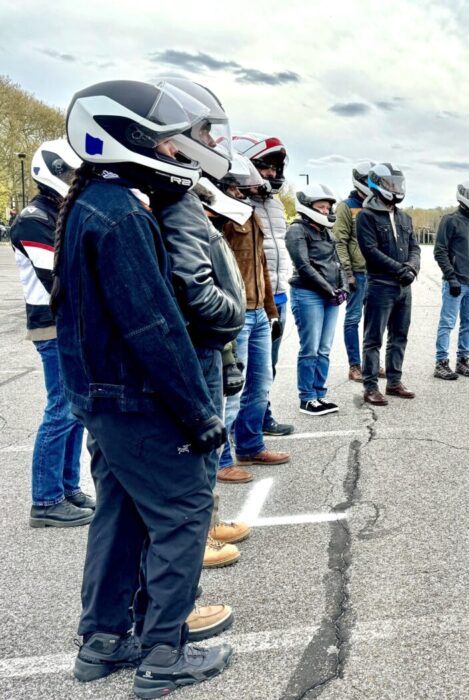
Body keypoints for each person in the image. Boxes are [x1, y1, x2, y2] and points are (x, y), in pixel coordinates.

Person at [57, 79, 231, 698]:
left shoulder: (89, 205)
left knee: (122, 513)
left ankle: (102, 640)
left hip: (104, 400)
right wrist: (200, 413)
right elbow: (153, 328)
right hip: (139, 401)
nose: (175, 149)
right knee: (182, 514)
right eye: (161, 138)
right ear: (124, 135)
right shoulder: (125, 215)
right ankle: (164, 652)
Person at [150, 78, 251, 639]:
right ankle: (193, 556)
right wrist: (232, 317)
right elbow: (193, 284)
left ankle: (208, 527)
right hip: (199, 346)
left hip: (203, 347)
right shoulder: (173, 201)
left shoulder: (181, 196)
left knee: (198, 462)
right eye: (203, 132)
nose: (211, 141)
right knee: (191, 465)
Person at [10, 139, 93, 528]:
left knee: (75, 410)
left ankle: (68, 487)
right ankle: (45, 500)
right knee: (60, 409)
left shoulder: (58, 212)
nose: (75, 179)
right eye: (70, 172)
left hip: (68, 325)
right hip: (52, 325)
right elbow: (57, 276)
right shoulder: (33, 218)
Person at [214, 155, 290, 483]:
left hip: (259, 312)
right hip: (237, 315)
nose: (243, 193)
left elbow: (261, 268)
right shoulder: (218, 219)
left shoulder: (250, 216)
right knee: (230, 391)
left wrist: (271, 311)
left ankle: (250, 444)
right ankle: (220, 460)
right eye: (236, 188)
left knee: (261, 384)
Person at [232, 133, 294, 437]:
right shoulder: (233, 203)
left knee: (266, 368)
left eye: (274, 168)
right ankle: (236, 429)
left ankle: (260, 418)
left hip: (276, 295)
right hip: (245, 301)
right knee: (240, 373)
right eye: (265, 167)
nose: (271, 174)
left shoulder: (275, 204)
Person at [356, 163, 420, 406]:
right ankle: (370, 386)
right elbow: (370, 251)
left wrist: (412, 269)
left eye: (397, 184)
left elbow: (414, 247)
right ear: (378, 185)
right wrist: (399, 269)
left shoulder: (405, 217)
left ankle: (394, 382)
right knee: (373, 338)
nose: (395, 188)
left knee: (399, 336)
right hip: (380, 285)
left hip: (404, 287)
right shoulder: (366, 216)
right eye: (390, 184)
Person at [286, 184, 347, 414]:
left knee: (324, 348)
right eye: (321, 207)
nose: (326, 210)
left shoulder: (327, 232)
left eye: (328, 207)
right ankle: (307, 397)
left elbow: (338, 262)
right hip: (308, 294)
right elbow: (303, 266)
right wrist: (328, 289)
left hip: (329, 296)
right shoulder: (297, 230)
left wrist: (342, 287)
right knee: (310, 348)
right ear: (307, 207)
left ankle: (320, 394)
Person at [433, 179, 469, 380]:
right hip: (455, 283)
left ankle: (463, 360)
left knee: (468, 324)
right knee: (447, 323)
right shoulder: (450, 220)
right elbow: (440, 251)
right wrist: (451, 277)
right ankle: (441, 362)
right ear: (464, 196)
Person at [333, 160, 382, 381]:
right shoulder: (347, 206)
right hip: (358, 274)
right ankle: (354, 366)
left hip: (377, 274)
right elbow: (340, 241)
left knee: (375, 322)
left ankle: (372, 363)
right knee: (353, 319)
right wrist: (348, 272)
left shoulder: (378, 206)